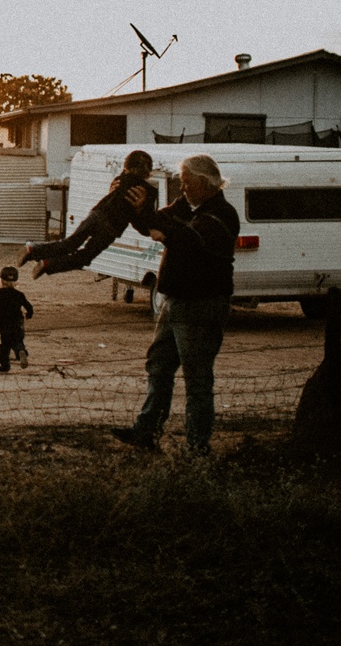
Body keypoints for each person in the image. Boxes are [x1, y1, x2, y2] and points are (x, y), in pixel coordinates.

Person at [112, 153, 239, 456]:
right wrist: (131, 202)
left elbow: (190, 239)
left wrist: (158, 223)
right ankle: (147, 431)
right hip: (176, 301)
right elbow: (154, 225)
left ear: (202, 181)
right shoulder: (188, 207)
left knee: (197, 378)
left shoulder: (222, 214)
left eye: (185, 182)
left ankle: (197, 445)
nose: (181, 188)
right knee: (159, 366)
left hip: (201, 303)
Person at [17, 149, 157, 279]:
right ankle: (47, 265)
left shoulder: (118, 180)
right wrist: (141, 213)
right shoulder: (148, 192)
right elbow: (142, 225)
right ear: (148, 170)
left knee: (69, 244)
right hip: (111, 227)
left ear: (126, 167)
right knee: (85, 257)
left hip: (96, 214)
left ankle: (32, 250)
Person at [0, 265, 34, 372]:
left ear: (1, 281)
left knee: (5, 345)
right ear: (17, 281)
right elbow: (29, 306)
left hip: (4, 323)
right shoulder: (19, 294)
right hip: (18, 322)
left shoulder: (0, 293)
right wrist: (29, 315)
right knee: (18, 340)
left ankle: (5, 366)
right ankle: (20, 352)